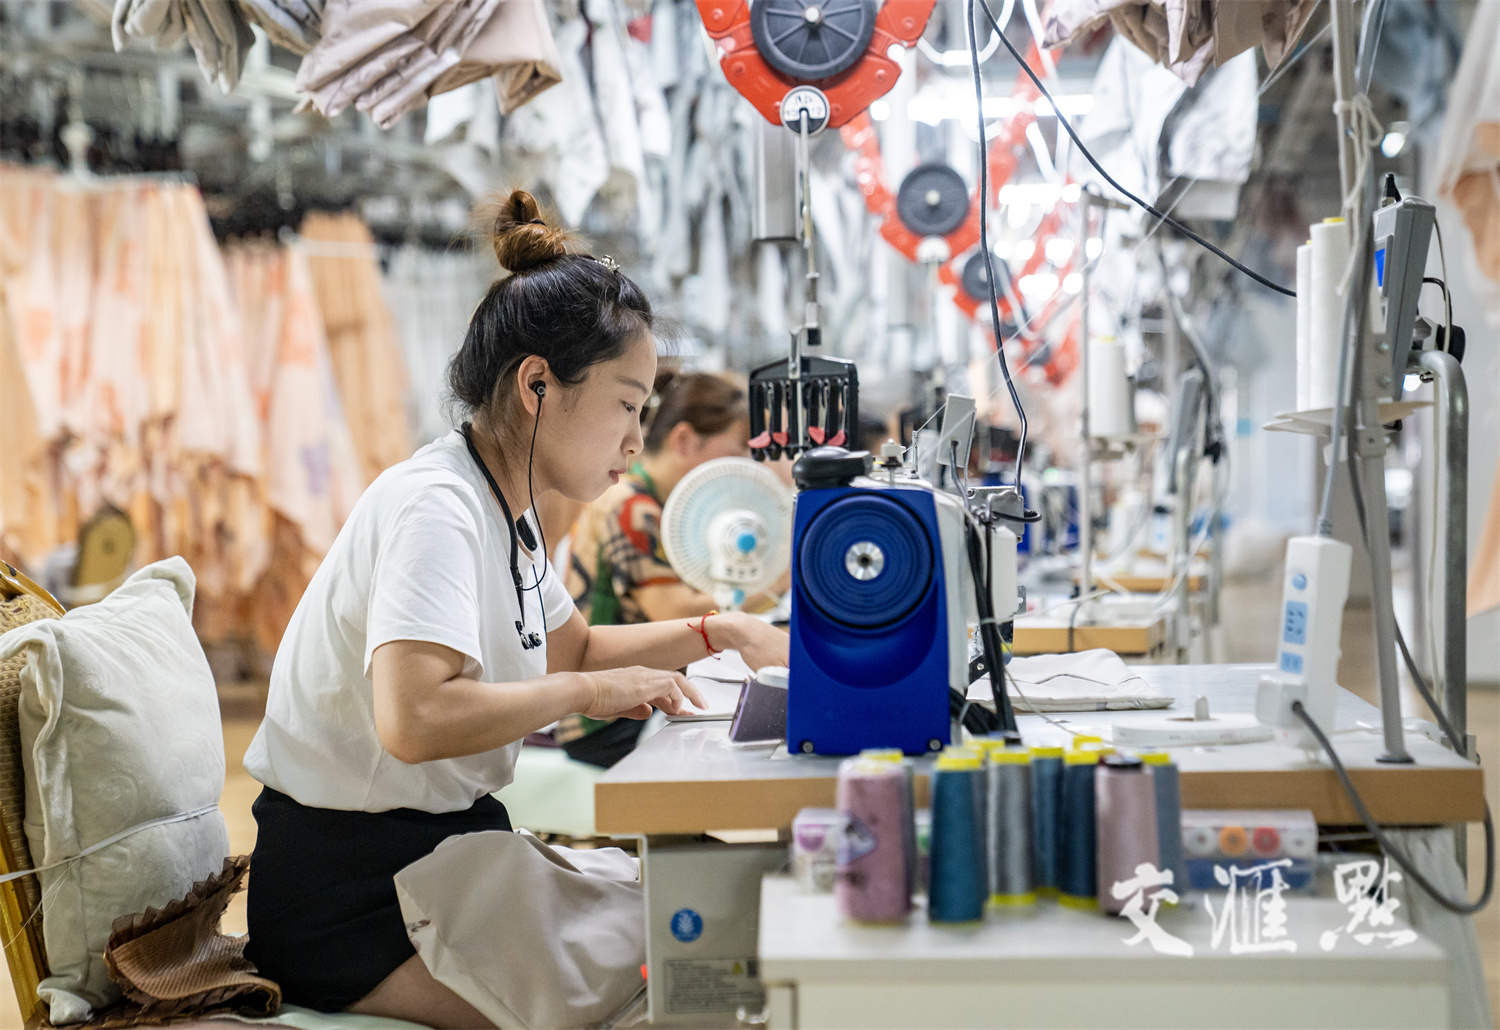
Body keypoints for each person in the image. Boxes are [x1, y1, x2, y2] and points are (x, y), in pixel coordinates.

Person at [240, 191, 789, 1028]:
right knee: (689, 973)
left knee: (711, 914)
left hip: (445, 859)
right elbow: (414, 719)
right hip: (358, 903)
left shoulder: (505, 507)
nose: (636, 440)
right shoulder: (437, 506)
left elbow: (575, 649)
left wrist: (722, 631)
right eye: (627, 404)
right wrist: (590, 695)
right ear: (538, 384)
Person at [560, 371, 767, 766]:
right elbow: (673, 611)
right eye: (738, 450)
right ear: (684, 440)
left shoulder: (662, 505)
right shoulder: (629, 506)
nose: (745, 464)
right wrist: (776, 580)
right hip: (603, 718)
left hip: (638, 696)